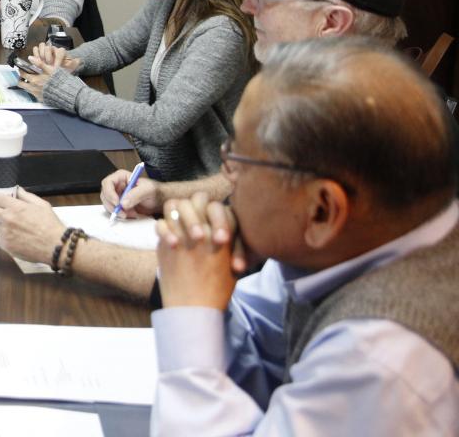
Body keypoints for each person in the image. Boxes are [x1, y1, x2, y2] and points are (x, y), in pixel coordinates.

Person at [0, 0, 408, 298]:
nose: (247, 6)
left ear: (331, 23)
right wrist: (165, 195)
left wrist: (63, 246)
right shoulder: (327, 99)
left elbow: (227, 284)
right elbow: (242, 190)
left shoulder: (358, 143)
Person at [151, 39, 457, 433]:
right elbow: (262, 349)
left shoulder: (382, 360)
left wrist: (190, 316)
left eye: (239, 160)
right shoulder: (355, 241)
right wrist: (202, 284)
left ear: (321, 210)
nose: (227, 176)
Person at [16, 0, 255, 182]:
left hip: (192, 184)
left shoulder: (222, 31)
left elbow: (162, 123)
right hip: (149, 159)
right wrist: (71, 60)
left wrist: (68, 92)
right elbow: (120, 46)